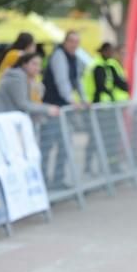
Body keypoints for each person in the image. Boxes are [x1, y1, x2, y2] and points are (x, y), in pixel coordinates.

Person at [40, 30, 87, 189]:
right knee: (48, 145)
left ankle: (58, 180)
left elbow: (77, 80)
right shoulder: (59, 56)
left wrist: (84, 99)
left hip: (64, 108)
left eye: (77, 42)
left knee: (64, 144)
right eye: (72, 41)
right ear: (65, 42)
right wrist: (72, 100)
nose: (74, 45)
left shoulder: (75, 59)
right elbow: (62, 81)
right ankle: (43, 179)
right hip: (53, 106)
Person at [82, 42, 129, 174]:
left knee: (110, 137)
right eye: (109, 51)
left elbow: (118, 83)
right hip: (96, 108)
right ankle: (88, 166)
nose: (111, 54)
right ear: (102, 51)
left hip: (106, 108)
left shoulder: (108, 65)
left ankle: (110, 166)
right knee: (95, 137)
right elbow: (101, 86)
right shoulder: (97, 66)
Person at [0, 53, 60, 118]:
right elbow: (22, 104)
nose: (38, 68)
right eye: (34, 64)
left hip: (4, 118)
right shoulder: (17, 78)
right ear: (24, 64)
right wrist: (47, 109)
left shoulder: (27, 79)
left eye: (39, 65)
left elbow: (34, 101)